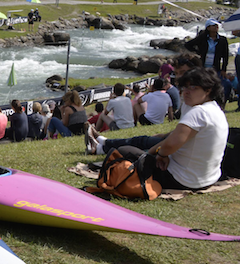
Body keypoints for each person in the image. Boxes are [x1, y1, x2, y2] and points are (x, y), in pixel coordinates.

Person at [87, 69, 227, 191]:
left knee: (125, 151)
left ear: (208, 90)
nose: (186, 92)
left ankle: (100, 146)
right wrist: (160, 149)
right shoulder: (214, 109)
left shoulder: (199, 112)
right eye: (185, 87)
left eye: (193, 88)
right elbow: (176, 138)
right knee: (145, 144)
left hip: (182, 179)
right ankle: (101, 143)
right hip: (208, 178)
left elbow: (170, 145)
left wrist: (161, 154)